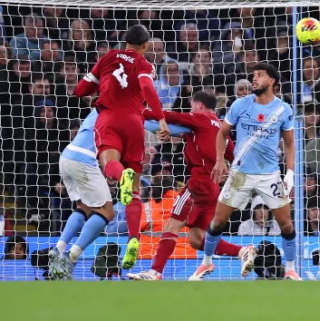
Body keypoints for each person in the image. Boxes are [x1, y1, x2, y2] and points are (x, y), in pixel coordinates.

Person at [127, 91, 255, 281]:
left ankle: (155, 271)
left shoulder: (199, 118)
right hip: (213, 188)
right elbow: (234, 157)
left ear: (199, 106)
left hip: (197, 183)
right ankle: (242, 251)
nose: (190, 109)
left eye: (191, 105)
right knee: (197, 238)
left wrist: (137, 110)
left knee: (172, 224)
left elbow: (168, 116)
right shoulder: (221, 128)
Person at [192, 63, 300, 281]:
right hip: (240, 173)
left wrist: (289, 174)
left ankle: (290, 269)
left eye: (259, 75)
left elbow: (289, 144)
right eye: (253, 75)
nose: (254, 79)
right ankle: (206, 263)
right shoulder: (240, 104)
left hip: (269, 174)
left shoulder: (283, 110)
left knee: (286, 224)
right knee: (218, 222)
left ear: (272, 81)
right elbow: (222, 133)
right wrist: (220, 160)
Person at [73, 24, 167, 271]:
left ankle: (119, 175)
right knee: (134, 191)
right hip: (135, 122)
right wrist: (161, 117)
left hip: (109, 119)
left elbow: (81, 90)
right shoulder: (145, 65)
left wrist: (97, 86)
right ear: (145, 45)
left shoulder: (107, 57)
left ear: (125, 41)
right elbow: (147, 88)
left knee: (109, 164)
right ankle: (134, 239)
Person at [48, 109, 115, 279]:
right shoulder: (126, 110)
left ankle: (58, 249)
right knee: (106, 211)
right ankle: (72, 256)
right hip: (84, 160)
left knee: (83, 207)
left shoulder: (98, 107)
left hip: (67, 156)